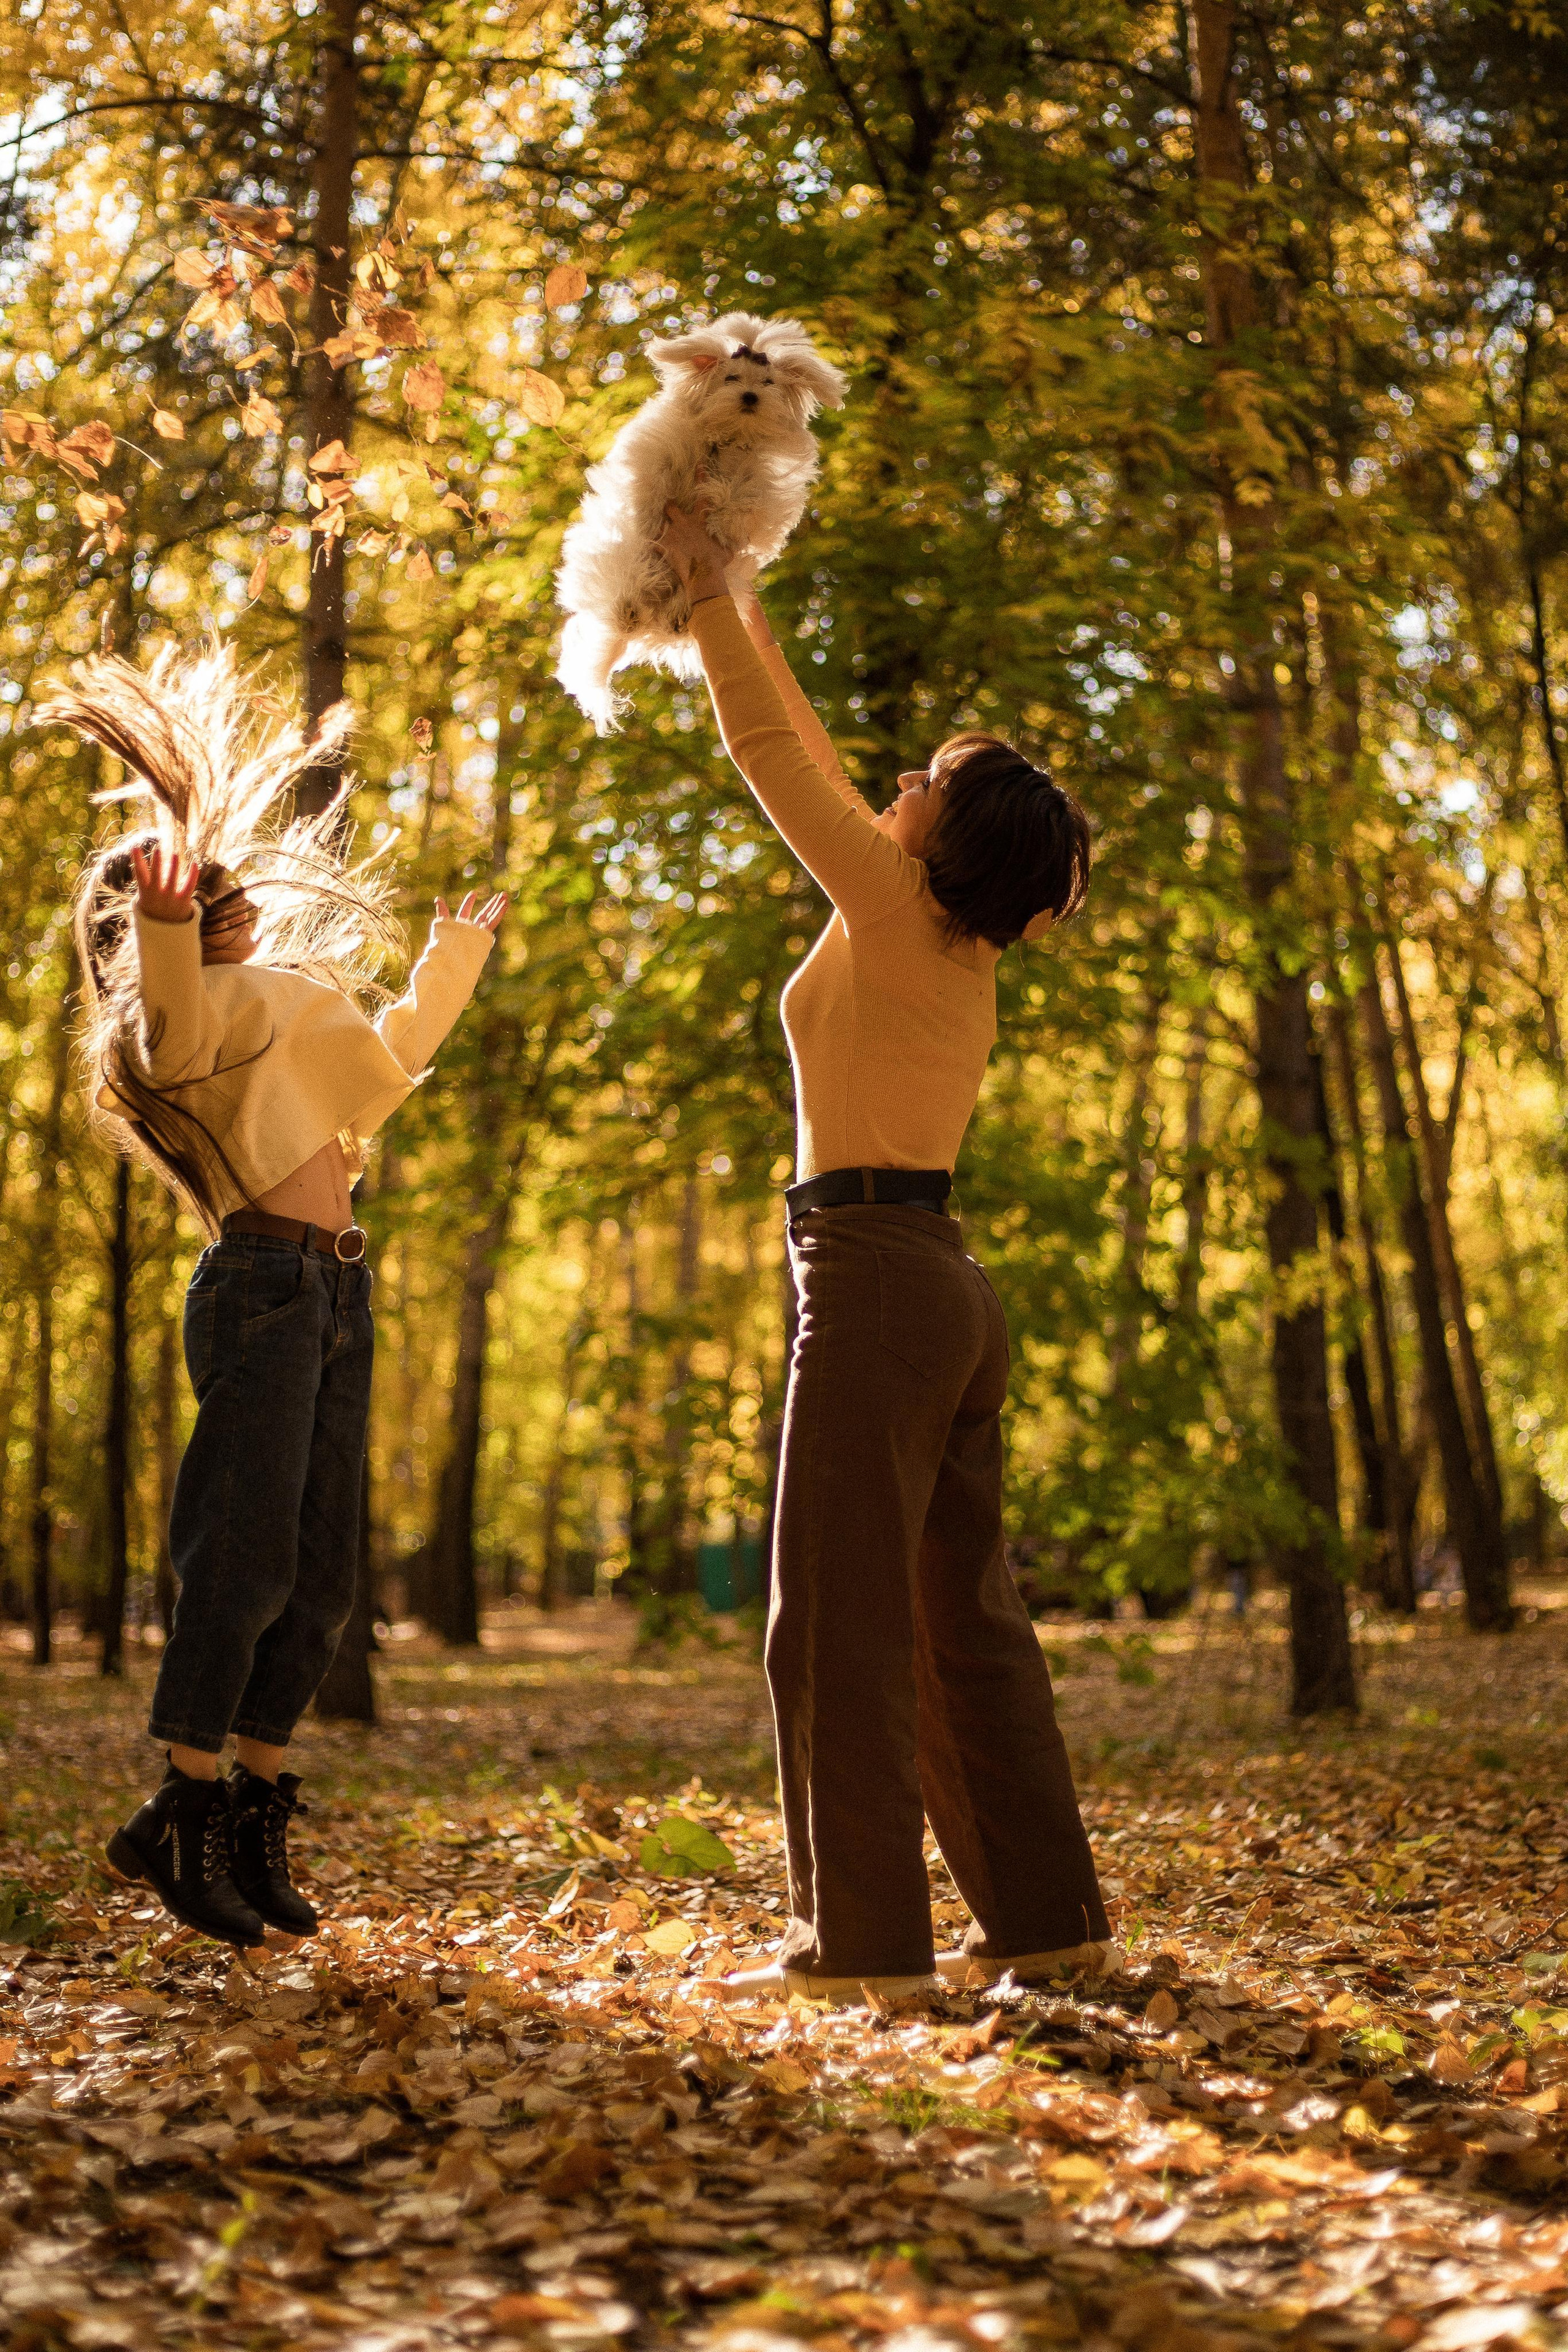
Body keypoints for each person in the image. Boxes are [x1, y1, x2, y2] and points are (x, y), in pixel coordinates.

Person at [657, 504, 1110, 2002]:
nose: (900, 782)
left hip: (866, 1281)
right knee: (956, 1622)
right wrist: (729, 581)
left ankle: (859, 1950)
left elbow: (767, 758)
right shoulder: (940, 937)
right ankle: (1046, 1920)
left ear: (946, 839)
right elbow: (810, 748)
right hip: (941, 1291)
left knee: (828, 1630)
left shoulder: (889, 906)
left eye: (931, 782)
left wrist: (713, 601)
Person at [50, 645, 505, 1948]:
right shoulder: (174, 1032)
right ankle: (187, 1817)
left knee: (319, 1584)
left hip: (333, 1293)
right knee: (240, 1565)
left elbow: (387, 1068)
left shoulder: (283, 1004)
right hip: (260, 1290)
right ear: (148, 929)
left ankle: (233, 1809)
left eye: (218, 889)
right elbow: (169, 1011)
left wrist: (450, 961)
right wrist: (164, 920)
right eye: (197, 898)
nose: (226, 900)